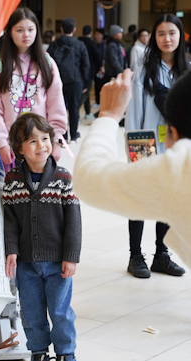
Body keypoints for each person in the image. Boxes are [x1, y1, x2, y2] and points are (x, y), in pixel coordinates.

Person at [74, 69, 191, 270]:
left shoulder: (181, 170)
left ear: (173, 132)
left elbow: (88, 178)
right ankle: (138, 254)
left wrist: (109, 114)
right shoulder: (146, 72)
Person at [3, 113, 81, 361]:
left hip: (57, 262)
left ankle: (66, 356)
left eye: (45, 139)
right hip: (25, 263)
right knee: (32, 312)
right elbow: (10, 218)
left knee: (60, 312)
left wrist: (71, 256)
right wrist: (11, 249)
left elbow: (74, 220)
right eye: (32, 141)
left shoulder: (61, 177)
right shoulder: (12, 179)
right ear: (19, 149)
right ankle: (38, 355)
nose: (41, 145)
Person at [124, 14, 189, 278]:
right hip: (147, 146)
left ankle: (161, 255)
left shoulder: (187, 71)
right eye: (161, 34)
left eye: (172, 33)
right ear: (154, 38)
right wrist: (137, 156)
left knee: (169, 201)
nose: (167, 39)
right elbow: (134, 115)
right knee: (140, 200)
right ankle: (135, 255)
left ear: (180, 36)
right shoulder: (143, 71)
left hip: (177, 148)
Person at [0, 7, 66, 169]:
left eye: (30, 29)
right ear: (10, 32)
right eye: (19, 30)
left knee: (42, 189)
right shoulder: (0, 66)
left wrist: (56, 139)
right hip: (12, 144)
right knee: (14, 191)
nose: (26, 35)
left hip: (40, 144)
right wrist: (1, 143)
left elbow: (56, 103)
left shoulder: (46, 63)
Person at [48, 17, 90, 143]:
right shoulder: (80, 44)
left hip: (58, 80)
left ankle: (62, 136)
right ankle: (74, 134)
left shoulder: (55, 44)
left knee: (60, 108)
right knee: (74, 108)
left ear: (61, 29)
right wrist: (84, 80)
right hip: (75, 80)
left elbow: (47, 62)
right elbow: (86, 64)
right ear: (74, 29)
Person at [78, 24, 102, 121]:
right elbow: (97, 57)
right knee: (86, 92)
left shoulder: (78, 41)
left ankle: (88, 112)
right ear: (91, 33)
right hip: (90, 71)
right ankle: (75, 111)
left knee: (85, 92)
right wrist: (99, 67)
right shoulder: (92, 44)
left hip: (78, 71)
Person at [93, 28, 107, 106]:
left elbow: (104, 57)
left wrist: (103, 67)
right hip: (96, 68)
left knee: (102, 85)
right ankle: (97, 101)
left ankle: (101, 101)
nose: (96, 36)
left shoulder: (104, 45)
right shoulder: (95, 44)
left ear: (102, 35)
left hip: (102, 69)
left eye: (97, 34)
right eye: (95, 34)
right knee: (97, 85)